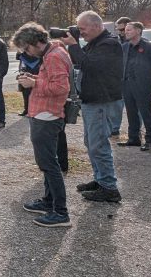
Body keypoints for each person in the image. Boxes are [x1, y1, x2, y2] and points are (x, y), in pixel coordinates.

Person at [13, 23, 73, 227]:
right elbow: (52, 80)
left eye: (26, 48)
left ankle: (60, 212)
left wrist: (34, 83)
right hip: (44, 113)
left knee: (49, 165)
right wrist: (35, 78)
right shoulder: (53, 51)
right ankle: (49, 202)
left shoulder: (54, 56)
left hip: (47, 115)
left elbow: (61, 87)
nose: (26, 53)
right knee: (48, 163)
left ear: (35, 43)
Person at [61, 11, 123, 203]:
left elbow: (89, 65)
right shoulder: (95, 43)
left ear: (96, 26)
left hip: (101, 101)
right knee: (92, 143)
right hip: (92, 101)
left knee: (99, 145)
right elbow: (83, 62)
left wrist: (73, 45)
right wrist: (75, 43)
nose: (81, 32)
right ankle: (101, 180)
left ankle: (109, 188)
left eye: (82, 28)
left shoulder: (109, 44)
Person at [117, 22, 151, 151]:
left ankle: (150, 141)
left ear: (138, 31)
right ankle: (134, 138)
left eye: (129, 30)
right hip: (127, 85)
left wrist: (150, 85)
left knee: (146, 113)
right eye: (125, 30)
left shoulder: (150, 47)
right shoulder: (124, 47)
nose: (126, 32)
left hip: (143, 86)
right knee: (131, 113)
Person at [110, 16, 132, 136]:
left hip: (132, 80)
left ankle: (135, 129)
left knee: (134, 108)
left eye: (123, 29)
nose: (121, 32)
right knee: (116, 106)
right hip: (117, 79)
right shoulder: (114, 42)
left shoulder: (138, 42)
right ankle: (114, 128)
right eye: (119, 30)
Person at [16, 50, 41, 116]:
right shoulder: (23, 52)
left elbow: (33, 60)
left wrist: (23, 54)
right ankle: (26, 109)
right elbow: (17, 57)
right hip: (24, 72)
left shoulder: (34, 50)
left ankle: (32, 110)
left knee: (32, 93)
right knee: (25, 92)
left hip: (32, 72)